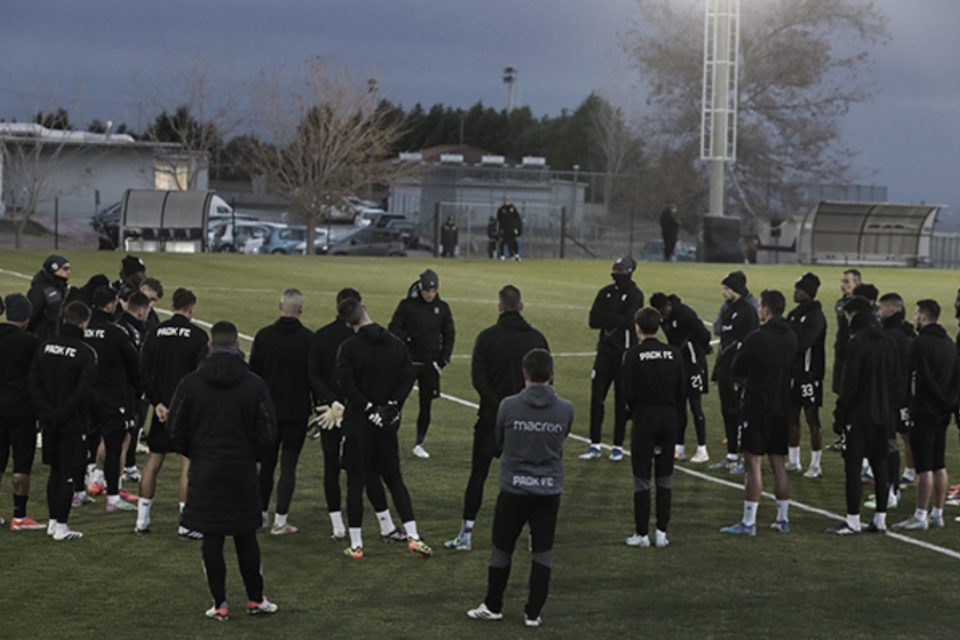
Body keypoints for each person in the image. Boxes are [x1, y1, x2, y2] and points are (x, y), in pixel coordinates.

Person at [168, 321, 279, 621]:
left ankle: (220, 603)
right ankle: (256, 600)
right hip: (241, 470)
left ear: (210, 346)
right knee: (246, 537)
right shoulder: (254, 383)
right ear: (238, 345)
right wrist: (251, 454)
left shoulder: (191, 383)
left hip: (206, 469)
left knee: (212, 539)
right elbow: (269, 430)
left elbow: (175, 427)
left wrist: (195, 452)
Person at [466, 348, 572, 628]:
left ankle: (493, 605)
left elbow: (499, 441)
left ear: (524, 374)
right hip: (549, 491)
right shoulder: (565, 408)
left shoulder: (508, 406)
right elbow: (562, 437)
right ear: (551, 376)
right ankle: (533, 613)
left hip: (513, 489)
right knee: (542, 552)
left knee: (502, 549)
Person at [446, 285, 549, 551]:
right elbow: (546, 380)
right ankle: (533, 537)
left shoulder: (487, 337)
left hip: (491, 418)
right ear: (521, 306)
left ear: (500, 306)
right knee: (529, 476)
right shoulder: (537, 338)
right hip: (528, 420)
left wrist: (500, 405)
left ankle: (466, 534)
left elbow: (478, 379)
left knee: (478, 475)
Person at [336, 297, 432, 558]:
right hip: (386, 426)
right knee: (394, 479)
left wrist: (368, 408)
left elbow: (347, 385)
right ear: (365, 310)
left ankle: (356, 545)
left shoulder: (348, 347)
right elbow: (406, 378)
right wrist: (390, 406)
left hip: (358, 425)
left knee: (356, 483)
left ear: (347, 323)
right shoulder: (395, 344)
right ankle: (413, 536)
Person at [308, 288, 406, 542]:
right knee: (369, 470)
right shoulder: (368, 339)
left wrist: (331, 402)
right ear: (361, 308)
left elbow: (314, 375)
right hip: (360, 413)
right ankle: (385, 525)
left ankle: (339, 526)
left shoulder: (322, 336)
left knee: (334, 467)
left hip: (332, 412)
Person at [720, 290, 797, 536]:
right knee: (779, 464)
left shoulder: (758, 337)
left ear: (766, 310)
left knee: (752, 463)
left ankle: (749, 522)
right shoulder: (792, 337)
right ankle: (782, 519)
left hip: (757, 406)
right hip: (781, 407)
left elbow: (737, 367)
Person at [137, 288, 209, 537]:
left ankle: (141, 521)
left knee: (153, 461)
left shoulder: (154, 332)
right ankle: (186, 524)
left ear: (171, 305)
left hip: (161, 411)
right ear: (191, 309)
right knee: (187, 466)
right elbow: (199, 377)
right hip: (186, 411)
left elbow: (144, 371)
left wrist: (157, 402)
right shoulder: (199, 336)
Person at [827, 296, 898, 535]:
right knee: (880, 465)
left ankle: (853, 521)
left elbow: (850, 385)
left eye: (847, 316)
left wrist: (840, 414)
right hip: (884, 413)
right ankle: (880, 520)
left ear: (854, 315)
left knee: (853, 466)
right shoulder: (888, 340)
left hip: (860, 414)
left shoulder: (857, 343)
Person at [29, 301, 98, 540]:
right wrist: (63, 414)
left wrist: (47, 412)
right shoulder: (86, 352)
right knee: (68, 473)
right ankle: (61, 525)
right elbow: (83, 392)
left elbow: (34, 383)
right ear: (84, 323)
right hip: (72, 422)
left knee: (55, 471)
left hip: (49, 421)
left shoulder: (45, 346)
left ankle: (51, 521)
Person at [250, 289, 314, 535]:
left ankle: (260, 515)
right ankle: (281, 521)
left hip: (267, 412)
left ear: (280, 306)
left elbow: (254, 376)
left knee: (266, 465)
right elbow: (313, 377)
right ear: (301, 309)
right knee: (288, 466)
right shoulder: (309, 339)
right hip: (297, 413)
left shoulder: (264, 336)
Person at [621, 308, 685, 547]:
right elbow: (681, 392)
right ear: (658, 326)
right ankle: (662, 532)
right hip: (669, 417)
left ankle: (641, 534)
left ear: (637, 327)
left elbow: (628, 392)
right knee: (665, 477)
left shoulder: (633, 355)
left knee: (642, 479)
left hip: (645, 417)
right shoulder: (674, 354)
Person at [894, 300, 959, 531]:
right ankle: (938, 514)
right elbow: (956, 377)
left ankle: (920, 516)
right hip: (944, 412)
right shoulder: (950, 343)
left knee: (924, 467)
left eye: (916, 313)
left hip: (924, 409)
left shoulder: (920, 342)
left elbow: (923, 377)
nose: (914, 317)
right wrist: (950, 402)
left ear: (923, 316)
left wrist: (938, 399)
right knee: (939, 463)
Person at [580, 257, 644, 461]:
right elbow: (593, 320)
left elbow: (629, 321)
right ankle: (595, 444)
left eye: (621, 269)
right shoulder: (605, 292)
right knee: (597, 398)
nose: (616, 273)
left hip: (624, 354)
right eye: (615, 269)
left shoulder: (636, 294)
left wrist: (608, 317)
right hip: (604, 353)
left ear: (630, 271)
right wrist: (614, 317)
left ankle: (617, 446)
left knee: (621, 401)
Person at [83, 286, 140, 512]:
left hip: (83, 394)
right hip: (111, 396)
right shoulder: (115, 331)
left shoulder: (83, 329)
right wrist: (137, 389)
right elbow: (134, 364)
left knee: (84, 442)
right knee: (114, 444)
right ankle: (113, 497)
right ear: (111, 305)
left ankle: (79, 490)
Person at [388, 269, 456, 458]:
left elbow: (449, 334)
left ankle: (419, 443)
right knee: (397, 401)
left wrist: (443, 358)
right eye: (427, 291)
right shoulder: (406, 305)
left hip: (430, 365)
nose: (430, 295)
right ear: (421, 288)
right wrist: (408, 338)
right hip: (408, 363)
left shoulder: (442, 308)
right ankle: (389, 436)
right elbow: (393, 329)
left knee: (426, 404)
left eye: (433, 292)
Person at [650, 292, 712, 463]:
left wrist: (702, 351)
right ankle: (679, 448)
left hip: (694, 365)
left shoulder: (686, 314)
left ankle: (702, 449)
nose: (662, 315)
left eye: (662, 311)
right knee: (678, 406)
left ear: (667, 306)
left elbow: (705, 334)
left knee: (695, 405)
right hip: (679, 366)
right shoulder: (665, 319)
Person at [0, 293, 45, 530]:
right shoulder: (31, 343)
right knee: (21, 464)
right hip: (22, 411)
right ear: (26, 317)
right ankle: (19, 516)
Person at [709, 271, 759, 472]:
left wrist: (743, 373)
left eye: (727, 289)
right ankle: (731, 456)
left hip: (739, 373)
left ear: (736, 290)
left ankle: (746, 460)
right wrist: (716, 371)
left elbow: (750, 345)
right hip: (725, 370)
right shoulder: (728, 310)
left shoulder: (747, 312)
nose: (723, 292)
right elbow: (724, 343)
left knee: (742, 415)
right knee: (728, 412)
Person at [870, 293, 915, 511]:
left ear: (893, 310)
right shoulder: (908, 333)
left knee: (888, 444)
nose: (878, 313)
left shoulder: (889, 335)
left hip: (889, 397)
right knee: (900, 439)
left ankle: (891, 492)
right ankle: (898, 484)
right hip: (905, 396)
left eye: (881, 309)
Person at [785, 273, 827, 477]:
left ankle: (815, 464)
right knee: (791, 416)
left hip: (809, 375)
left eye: (799, 289)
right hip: (793, 374)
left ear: (809, 293)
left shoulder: (816, 317)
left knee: (812, 419)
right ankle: (794, 461)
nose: (795, 292)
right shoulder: (793, 314)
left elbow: (803, 344)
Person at [27, 254, 71, 340]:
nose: (68, 271)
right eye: (65, 268)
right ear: (54, 268)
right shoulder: (39, 290)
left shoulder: (64, 289)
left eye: (69, 268)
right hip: (42, 339)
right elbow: (31, 317)